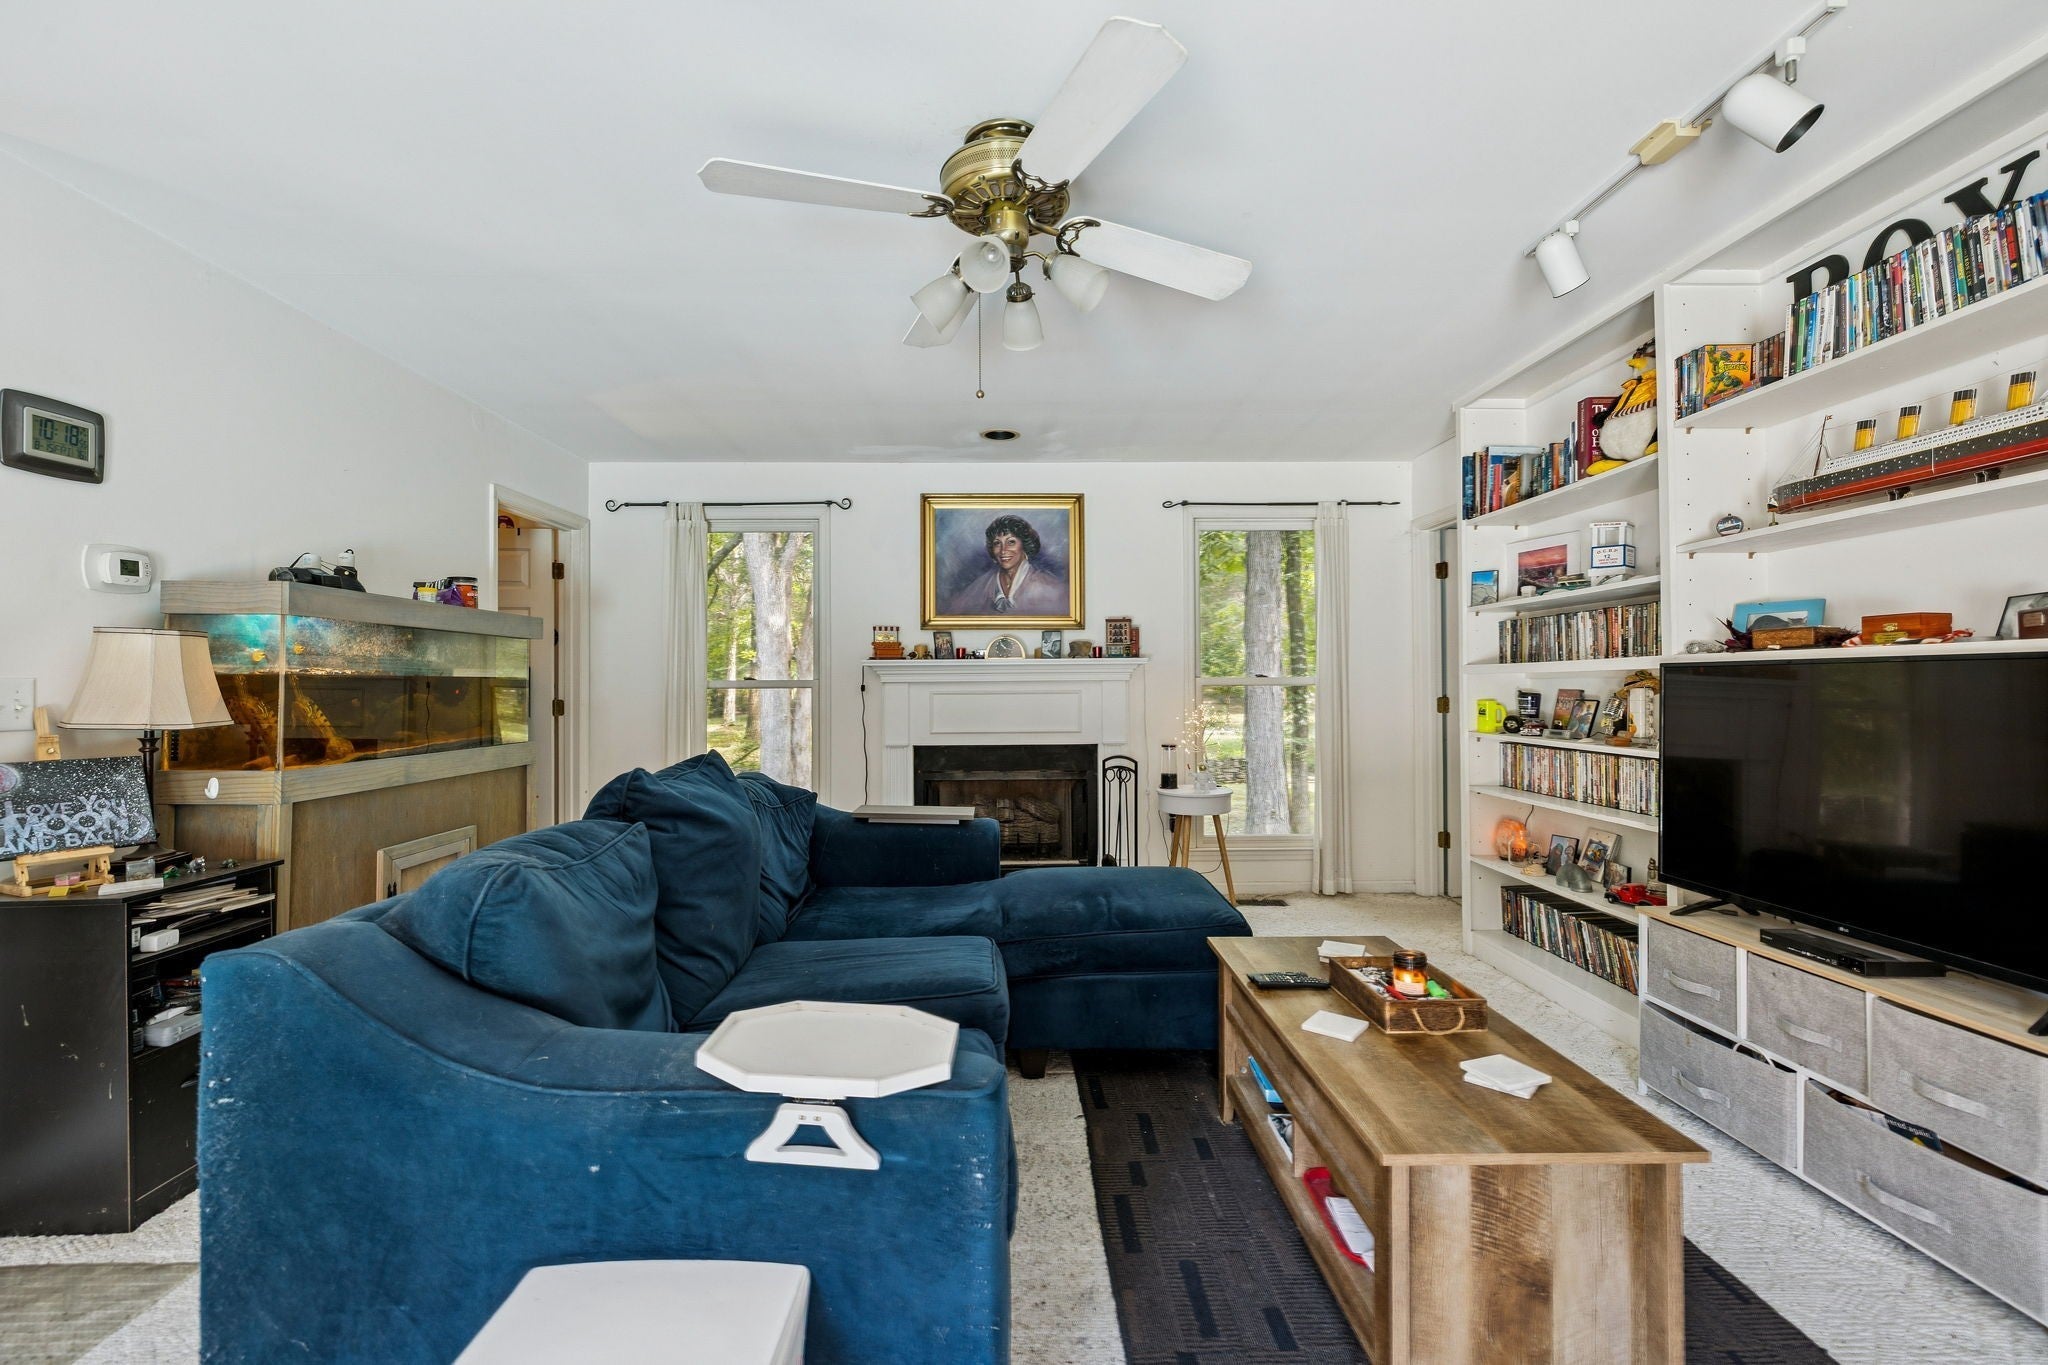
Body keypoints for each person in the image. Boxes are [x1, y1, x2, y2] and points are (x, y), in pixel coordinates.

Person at [943, 513, 1069, 616]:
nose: (1003, 550)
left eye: (1011, 542)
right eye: (997, 543)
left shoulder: (1049, 588)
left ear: (1025, 545)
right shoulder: (982, 584)